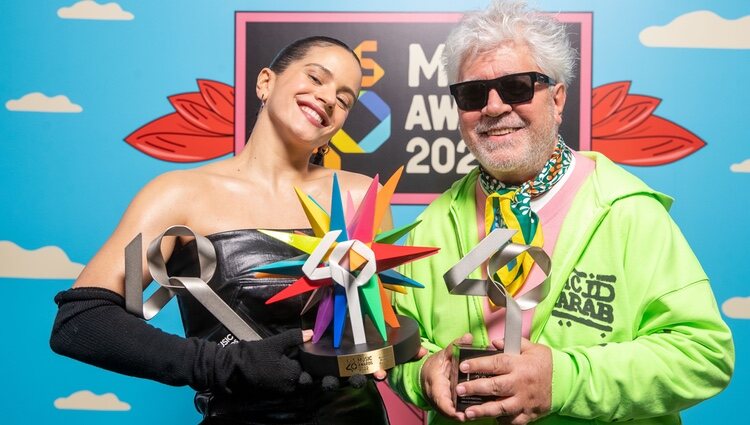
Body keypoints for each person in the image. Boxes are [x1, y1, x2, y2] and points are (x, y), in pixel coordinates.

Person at [387, 1, 734, 424]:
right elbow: (396, 347)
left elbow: (703, 356)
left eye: (516, 87)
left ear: (557, 98)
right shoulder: (432, 224)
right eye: (473, 94)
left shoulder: (627, 212)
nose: (494, 107)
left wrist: (564, 380)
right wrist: (421, 374)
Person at [50, 36, 392, 424]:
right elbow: (83, 318)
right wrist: (224, 364)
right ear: (266, 82)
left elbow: (381, 325)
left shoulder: (362, 195)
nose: (328, 98)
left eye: (344, 100)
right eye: (315, 77)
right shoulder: (179, 197)